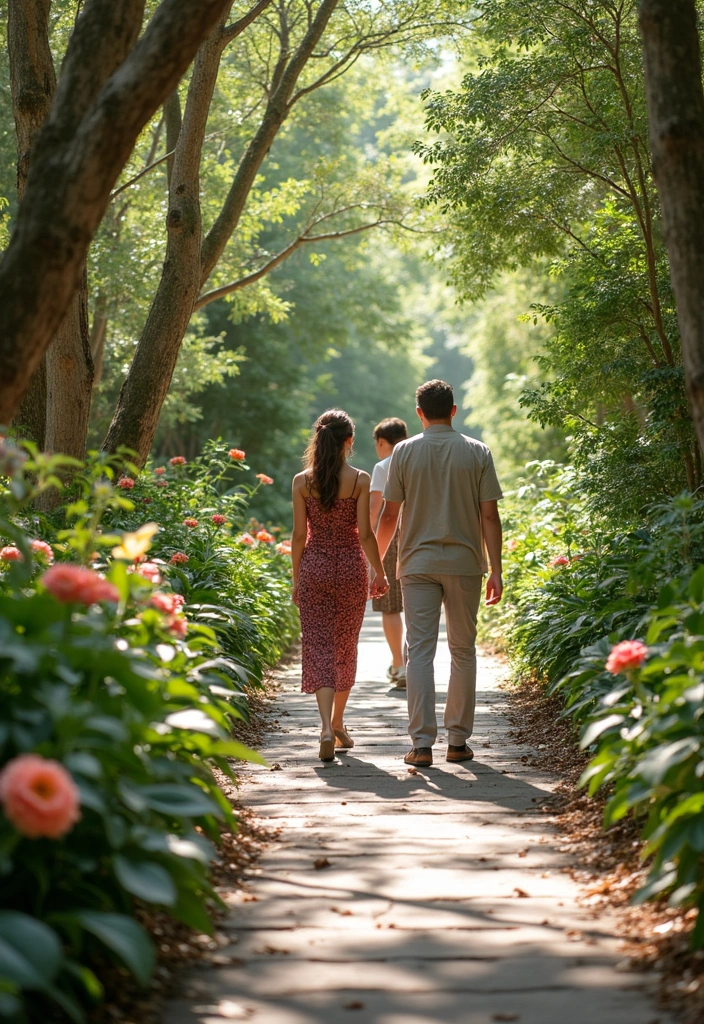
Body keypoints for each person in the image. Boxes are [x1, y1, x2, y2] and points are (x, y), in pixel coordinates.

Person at [376, 380, 503, 768]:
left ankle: (421, 745)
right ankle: (458, 742)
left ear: (419, 413)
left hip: (416, 565)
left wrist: (375, 566)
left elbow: (390, 515)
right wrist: (496, 569)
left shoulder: (404, 452)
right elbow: (489, 515)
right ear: (453, 409)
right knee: (463, 651)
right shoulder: (477, 451)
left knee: (420, 653)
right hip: (465, 564)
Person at [291, 409, 389, 762]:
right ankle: (337, 722)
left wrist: (296, 579)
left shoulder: (302, 482)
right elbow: (364, 534)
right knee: (345, 646)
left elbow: (300, 536)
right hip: (350, 569)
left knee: (318, 646)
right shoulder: (361, 479)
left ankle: (325, 728)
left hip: (315, 568)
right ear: (349, 441)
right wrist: (379, 572)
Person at [369, 417, 409, 688]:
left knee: (390, 606)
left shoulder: (383, 466)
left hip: (390, 537)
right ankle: (415, 663)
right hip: (420, 535)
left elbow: (375, 511)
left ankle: (399, 664)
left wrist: (369, 549)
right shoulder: (420, 461)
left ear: (382, 442)